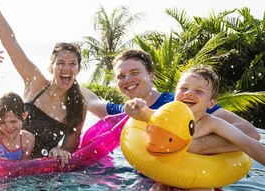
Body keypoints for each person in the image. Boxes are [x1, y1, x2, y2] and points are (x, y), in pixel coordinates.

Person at [0, 0, 86, 162]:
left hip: (39, 172)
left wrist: (59, 151)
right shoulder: (35, 82)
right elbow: (10, 42)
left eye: (72, 64)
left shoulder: (77, 106)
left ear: (78, 70)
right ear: (51, 67)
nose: (66, 68)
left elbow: (70, 149)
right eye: (60, 63)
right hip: (6, 160)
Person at [125, 66, 265, 191]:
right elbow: (145, 115)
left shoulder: (213, 124)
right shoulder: (166, 117)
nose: (189, 93)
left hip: (202, 184)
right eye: (183, 88)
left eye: (199, 91)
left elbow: (248, 143)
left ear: (211, 103)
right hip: (167, 178)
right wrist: (135, 109)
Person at [82, 49, 261, 154]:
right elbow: (91, 101)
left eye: (135, 73)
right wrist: (61, 79)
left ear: (151, 75)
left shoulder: (182, 102)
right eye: (121, 76)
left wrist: (191, 146)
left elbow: (250, 133)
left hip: (191, 181)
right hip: (152, 185)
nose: (127, 79)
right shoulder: (125, 113)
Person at [0, 44, 35, 160]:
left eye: (13, 121)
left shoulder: (27, 139)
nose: (8, 127)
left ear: (24, 116)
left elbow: (26, 168)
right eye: (3, 122)